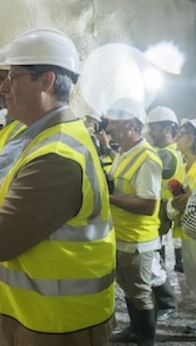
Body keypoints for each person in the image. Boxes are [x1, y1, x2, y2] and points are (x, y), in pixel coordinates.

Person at [0, 28, 115, 344]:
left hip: (57, 322)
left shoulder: (57, 155)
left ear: (46, 81)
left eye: (13, 77)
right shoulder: (44, 136)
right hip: (36, 313)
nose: (3, 87)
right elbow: (5, 188)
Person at [104, 97, 162, 345]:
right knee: (128, 288)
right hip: (120, 235)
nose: (109, 128)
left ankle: (147, 339)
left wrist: (109, 198)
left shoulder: (147, 158)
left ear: (130, 124)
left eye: (114, 123)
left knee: (140, 292)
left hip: (138, 240)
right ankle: (135, 329)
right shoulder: (124, 153)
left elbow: (149, 205)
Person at [145, 105, 182, 321]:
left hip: (158, 212)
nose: (150, 133)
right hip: (158, 211)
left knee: (153, 258)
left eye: (154, 128)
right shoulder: (169, 152)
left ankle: (166, 303)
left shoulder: (166, 155)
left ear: (167, 129)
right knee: (154, 257)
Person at [169, 118, 196, 334]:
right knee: (193, 278)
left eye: (183, 134)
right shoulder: (182, 166)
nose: (177, 137)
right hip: (187, 232)